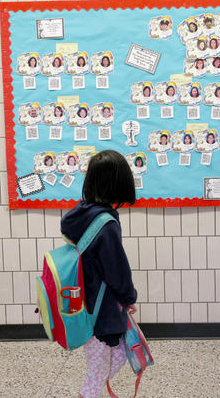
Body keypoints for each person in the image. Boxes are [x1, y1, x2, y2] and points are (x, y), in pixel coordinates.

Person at [60, 150, 138, 398]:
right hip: (100, 311)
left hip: (86, 304)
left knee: (115, 356)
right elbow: (117, 269)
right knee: (97, 372)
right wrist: (128, 297)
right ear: (118, 184)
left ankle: (89, 392)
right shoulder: (106, 225)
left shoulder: (82, 213)